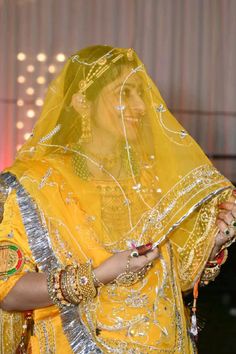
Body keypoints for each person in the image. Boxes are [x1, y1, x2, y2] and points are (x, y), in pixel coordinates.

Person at [0, 45, 235, 354]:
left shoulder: (153, 182)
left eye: (141, 92)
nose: (140, 105)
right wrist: (98, 276)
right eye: (124, 94)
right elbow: (8, 290)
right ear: (82, 102)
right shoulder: (39, 183)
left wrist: (214, 241)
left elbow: (172, 284)